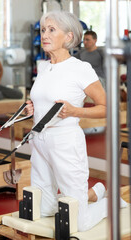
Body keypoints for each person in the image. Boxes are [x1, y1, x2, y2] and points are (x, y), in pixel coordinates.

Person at [25, 11, 128, 232]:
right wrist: (31, 108)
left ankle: (110, 203)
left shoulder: (80, 68)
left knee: (78, 221)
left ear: (69, 36)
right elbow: (42, 102)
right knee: (45, 209)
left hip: (65, 142)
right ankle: (95, 192)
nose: (45, 34)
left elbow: (108, 107)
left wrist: (75, 111)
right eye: (43, 30)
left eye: (52, 30)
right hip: (39, 141)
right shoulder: (43, 67)